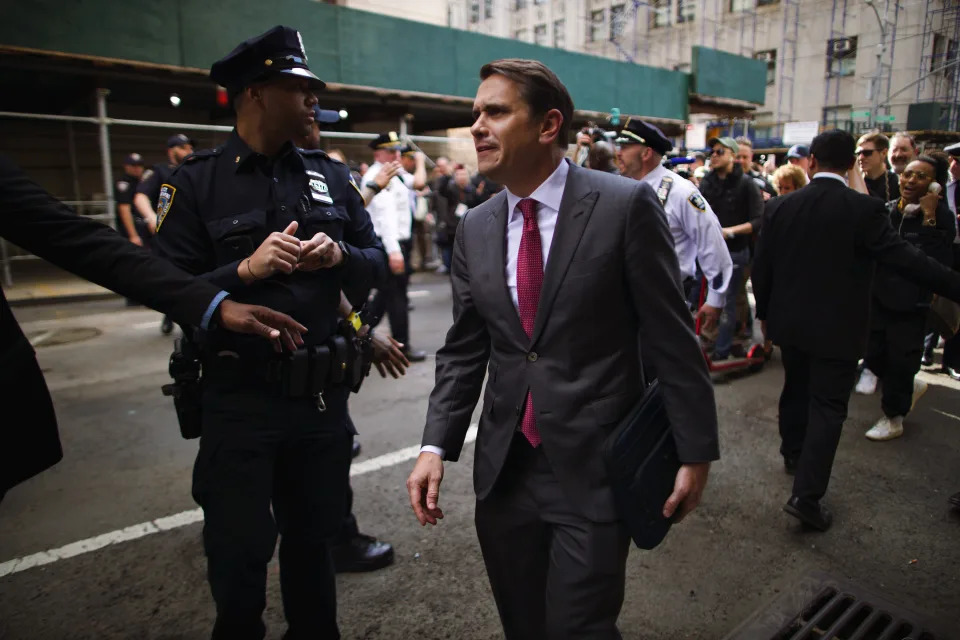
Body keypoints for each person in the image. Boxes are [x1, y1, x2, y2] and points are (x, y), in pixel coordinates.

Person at [406, 58, 718, 639]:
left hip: (594, 469)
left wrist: (695, 451)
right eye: (476, 113)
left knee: (580, 629)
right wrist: (434, 445)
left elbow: (671, 339)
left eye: (495, 112)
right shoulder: (475, 226)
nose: (477, 125)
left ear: (549, 125)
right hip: (505, 475)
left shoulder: (624, 206)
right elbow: (466, 350)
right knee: (523, 625)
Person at [154, 26, 387, 639]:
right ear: (255, 93)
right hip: (239, 401)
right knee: (238, 551)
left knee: (313, 546)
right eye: (299, 87)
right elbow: (164, 285)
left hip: (318, 400)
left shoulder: (330, 177)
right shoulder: (195, 183)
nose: (314, 98)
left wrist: (338, 255)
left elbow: (375, 261)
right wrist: (243, 271)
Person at [0, 153, 310, 503]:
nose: (310, 103)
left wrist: (216, 304)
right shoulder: (191, 178)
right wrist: (231, 284)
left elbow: (68, 234)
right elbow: (140, 226)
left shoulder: (310, 173)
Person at [752, 130, 960, 532]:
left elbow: (763, 266)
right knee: (828, 406)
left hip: (791, 323)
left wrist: (766, 312)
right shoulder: (864, 209)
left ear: (811, 162)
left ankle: (794, 454)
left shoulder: (781, 206)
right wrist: (953, 284)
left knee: (795, 388)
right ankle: (806, 497)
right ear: (851, 165)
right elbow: (907, 260)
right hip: (839, 329)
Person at [294, 105, 396, 574]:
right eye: (312, 121)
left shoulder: (327, 175)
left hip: (325, 349)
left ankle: (336, 537)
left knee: (331, 448)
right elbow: (321, 285)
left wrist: (359, 329)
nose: (317, 131)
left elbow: (359, 259)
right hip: (288, 355)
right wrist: (361, 331)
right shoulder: (286, 182)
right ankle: (337, 539)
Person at [855, 155, 955, 441]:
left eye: (921, 176)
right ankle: (910, 385)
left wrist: (931, 217)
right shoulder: (888, 210)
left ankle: (893, 417)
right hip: (879, 297)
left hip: (913, 303)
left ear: (935, 184)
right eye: (908, 174)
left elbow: (940, 261)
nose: (910, 180)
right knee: (875, 355)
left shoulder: (938, 216)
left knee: (901, 359)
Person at [616, 118, 732, 327]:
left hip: (665, 300)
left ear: (646, 153)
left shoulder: (680, 191)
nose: (618, 153)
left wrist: (715, 299)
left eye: (625, 147)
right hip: (623, 298)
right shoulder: (618, 186)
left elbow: (711, 240)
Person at [362, 133, 427, 362]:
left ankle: (358, 334)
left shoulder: (395, 173)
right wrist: (395, 252)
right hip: (389, 243)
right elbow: (385, 217)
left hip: (398, 243)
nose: (397, 155)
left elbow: (418, 183)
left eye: (398, 151)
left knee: (384, 297)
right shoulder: (378, 176)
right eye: (391, 151)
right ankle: (402, 346)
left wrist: (419, 162)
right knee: (396, 297)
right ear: (378, 153)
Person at [699, 136, 764, 360]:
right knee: (709, 297)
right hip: (710, 251)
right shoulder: (707, 182)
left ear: (733, 156)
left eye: (720, 152)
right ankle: (711, 342)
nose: (714, 156)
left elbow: (757, 220)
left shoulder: (747, 184)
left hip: (736, 251)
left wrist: (729, 231)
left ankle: (723, 349)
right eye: (712, 152)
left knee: (729, 301)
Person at [135, 133, 195, 334]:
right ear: (171, 151)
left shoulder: (194, 169)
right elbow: (141, 196)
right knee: (172, 278)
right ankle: (170, 315)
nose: (188, 151)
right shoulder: (158, 171)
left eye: (189, 147)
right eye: (183, 147)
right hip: (167, 237)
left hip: (191, 234)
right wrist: (151, 218)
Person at [856, 131, 900, 203]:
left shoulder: (897, 182)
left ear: (883, 153)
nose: (860, 158)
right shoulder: (854, 183)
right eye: (858, 153)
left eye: (867, 153)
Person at [115, 152, 145, 246]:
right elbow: (124, 209)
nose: (137, 168)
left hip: (144, 228)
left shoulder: (143, 182)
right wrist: (133, 235)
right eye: (133, 165)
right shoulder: (124, 184)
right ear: (126, 166)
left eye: (139, 165)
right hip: (132, 230)